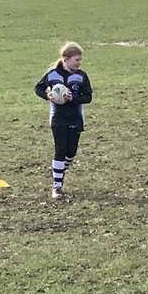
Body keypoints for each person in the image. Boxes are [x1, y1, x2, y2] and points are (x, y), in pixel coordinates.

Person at [34, 41, 93, 199]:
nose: (79, 63)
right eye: (76, 60)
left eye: (80, 60)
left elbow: (88, 97)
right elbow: (38, 88)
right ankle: (57, 186)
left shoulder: (81, 76)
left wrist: (73, 97)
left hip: (75, 118)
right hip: (58, 118)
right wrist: (48, 96)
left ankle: (58, 170)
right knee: (60, 150)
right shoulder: (52, 75)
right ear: (66, 59)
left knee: (71, 152)